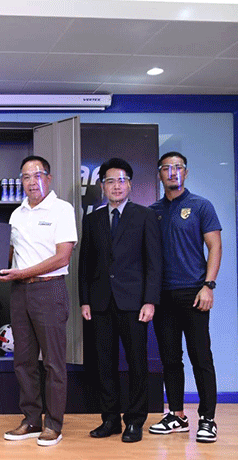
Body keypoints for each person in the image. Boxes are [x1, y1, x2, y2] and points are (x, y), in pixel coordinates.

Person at [0, 155, 77, 447]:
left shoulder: (62, 209)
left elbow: (62, 257)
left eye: (37, 175)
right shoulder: (17, 214)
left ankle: (53, 424)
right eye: (26, 177)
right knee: (23, 361)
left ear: (48, 178)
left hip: (49, 290)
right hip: (20, 292)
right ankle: (31, 419)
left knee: (53, 362)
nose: (31, 182)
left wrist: (22, 273)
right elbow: (8, 254)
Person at [79, 158, 162, 443]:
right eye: (111, 181)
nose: (117, 186)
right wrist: (85, 300)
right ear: (102, 186)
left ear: (130, 185)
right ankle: (110, 419)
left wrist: (150, 301)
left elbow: (154, 263)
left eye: (122, 180)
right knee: (105, 364)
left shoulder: (145, 216)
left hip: (134, 303)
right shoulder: (92, 220)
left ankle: (135, 421)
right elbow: (85, 264)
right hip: (100, 303)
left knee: (137, 363)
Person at [149, 152, 222, 443]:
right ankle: (176, 415)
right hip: (163, 296)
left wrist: (209, 285)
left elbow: (215, 247)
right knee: (170, 359)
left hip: (194, 293)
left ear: (186, 173)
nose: (172, 172)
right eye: (166, 168)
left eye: (177, 167)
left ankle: (208, 419)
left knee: (200, 357)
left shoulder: (201, 206)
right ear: (159, 174)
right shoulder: (153, 211)